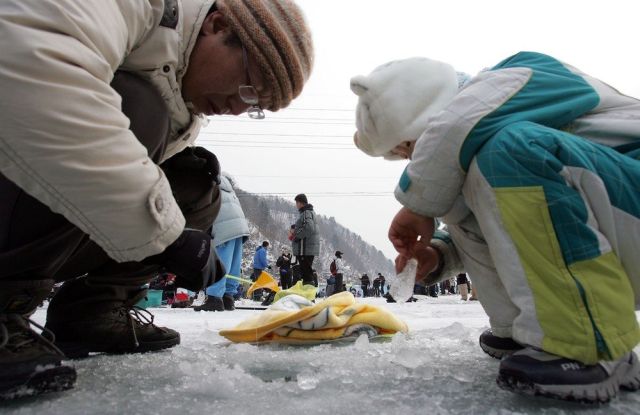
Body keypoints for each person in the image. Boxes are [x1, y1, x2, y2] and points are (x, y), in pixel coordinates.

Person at [0, 0, 313, 400]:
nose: (238, 108)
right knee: (140, 110)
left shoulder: (183, 97)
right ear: (217, 25)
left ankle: (92, 310)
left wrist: (177, 225)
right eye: (248, 87)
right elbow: (34, 69)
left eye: (255, 108)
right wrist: (170, 236)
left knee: (195, 184)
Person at [351, 51, 640, 403]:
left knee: (508, 153)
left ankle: (586, 343)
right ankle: (528, 332)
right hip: (623, 226)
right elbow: (526, 213)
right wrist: (439, 254)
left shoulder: (525, 74)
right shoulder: (473, 147)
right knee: (465, 186)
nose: (413, 160)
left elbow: (462, 124)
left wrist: (417, 203)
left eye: (411, 146)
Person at [194, 174, 249, 312]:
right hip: (240, 227)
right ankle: (228, 298)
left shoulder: (208, 183)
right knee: (233, 263)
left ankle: (214, 299)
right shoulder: (228, 188)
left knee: (220, 262)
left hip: (224, 226)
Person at [291, 194, 320, 285]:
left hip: (305, 249)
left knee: (306, 273)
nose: (296, 205)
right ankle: (309, 295)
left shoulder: (305, 213)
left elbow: (309, 227)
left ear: (300, 203)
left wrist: (296, 236)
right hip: (308, 248)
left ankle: (309, 296)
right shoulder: (310, 212)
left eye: (296, 202)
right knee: (307, 272)